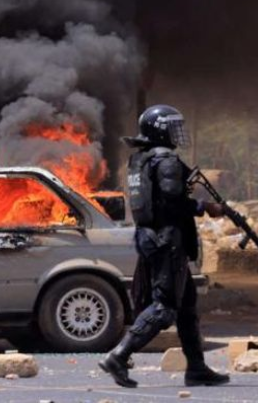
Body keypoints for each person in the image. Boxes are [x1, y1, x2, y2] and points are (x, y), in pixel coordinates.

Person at [99, 104, 230, 388]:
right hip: (167, 240)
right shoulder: (165, 160)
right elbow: (172, 200)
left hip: (151, 237)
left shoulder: (140, 160)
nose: (177, 134)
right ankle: (119, 356)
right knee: (165, 307)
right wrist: (204, 206)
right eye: (173, 127)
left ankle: (196, 368)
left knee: (187, 307)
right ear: (161, 130)